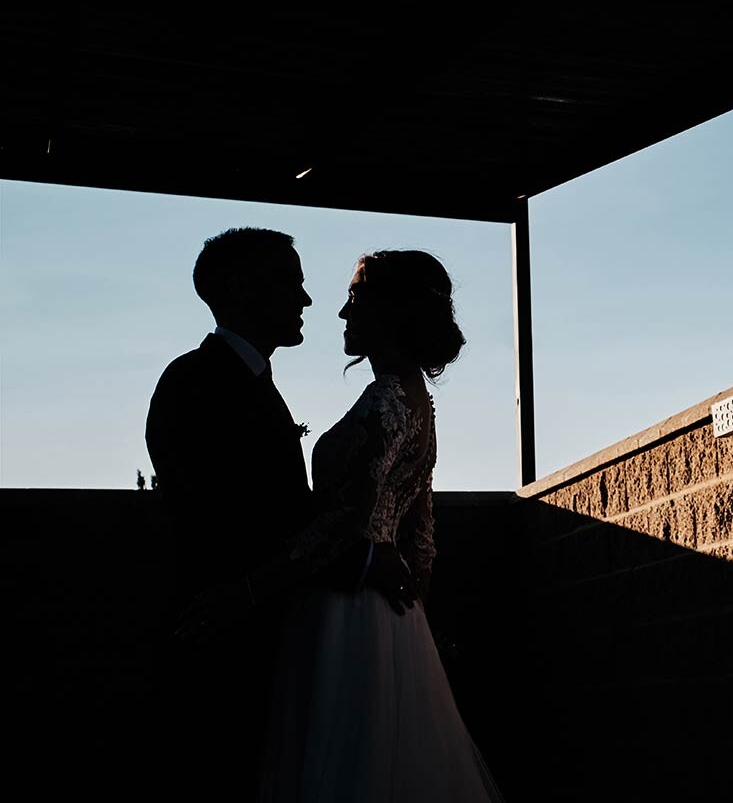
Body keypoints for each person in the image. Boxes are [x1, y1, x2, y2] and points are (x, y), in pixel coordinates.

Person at [180, 249, 505, 801]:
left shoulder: (384, 403)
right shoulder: (416, 402)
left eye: (354, 298)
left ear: (390, 310)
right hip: (390, 621)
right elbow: (422, 536)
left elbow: (341, 526)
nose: (338, 313)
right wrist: (411, 631)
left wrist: (249, 590)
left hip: (342, 613)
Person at [148, 228, 414, 802]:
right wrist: (365, 558)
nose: (307, 299)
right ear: (241, 288)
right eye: (291, 282)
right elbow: (241, 522)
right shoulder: (193, 384)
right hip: (229, 651)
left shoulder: (253, 384)